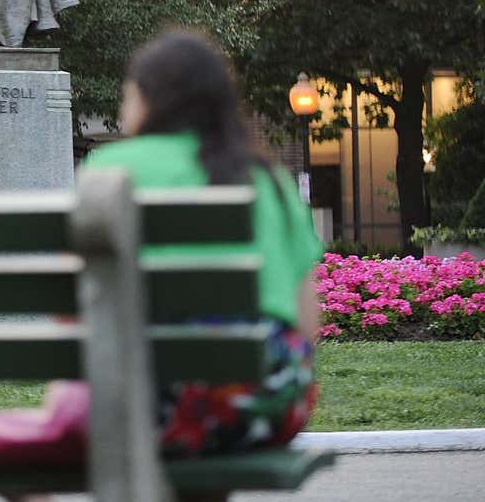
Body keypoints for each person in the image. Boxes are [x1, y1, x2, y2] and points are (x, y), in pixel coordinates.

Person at [80, 29, 323, 458]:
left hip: (145, 403)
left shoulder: (109, 169)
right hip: (262, 404)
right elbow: (307, 321)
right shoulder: (268, 178)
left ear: (144, 99)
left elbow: (77, 302)